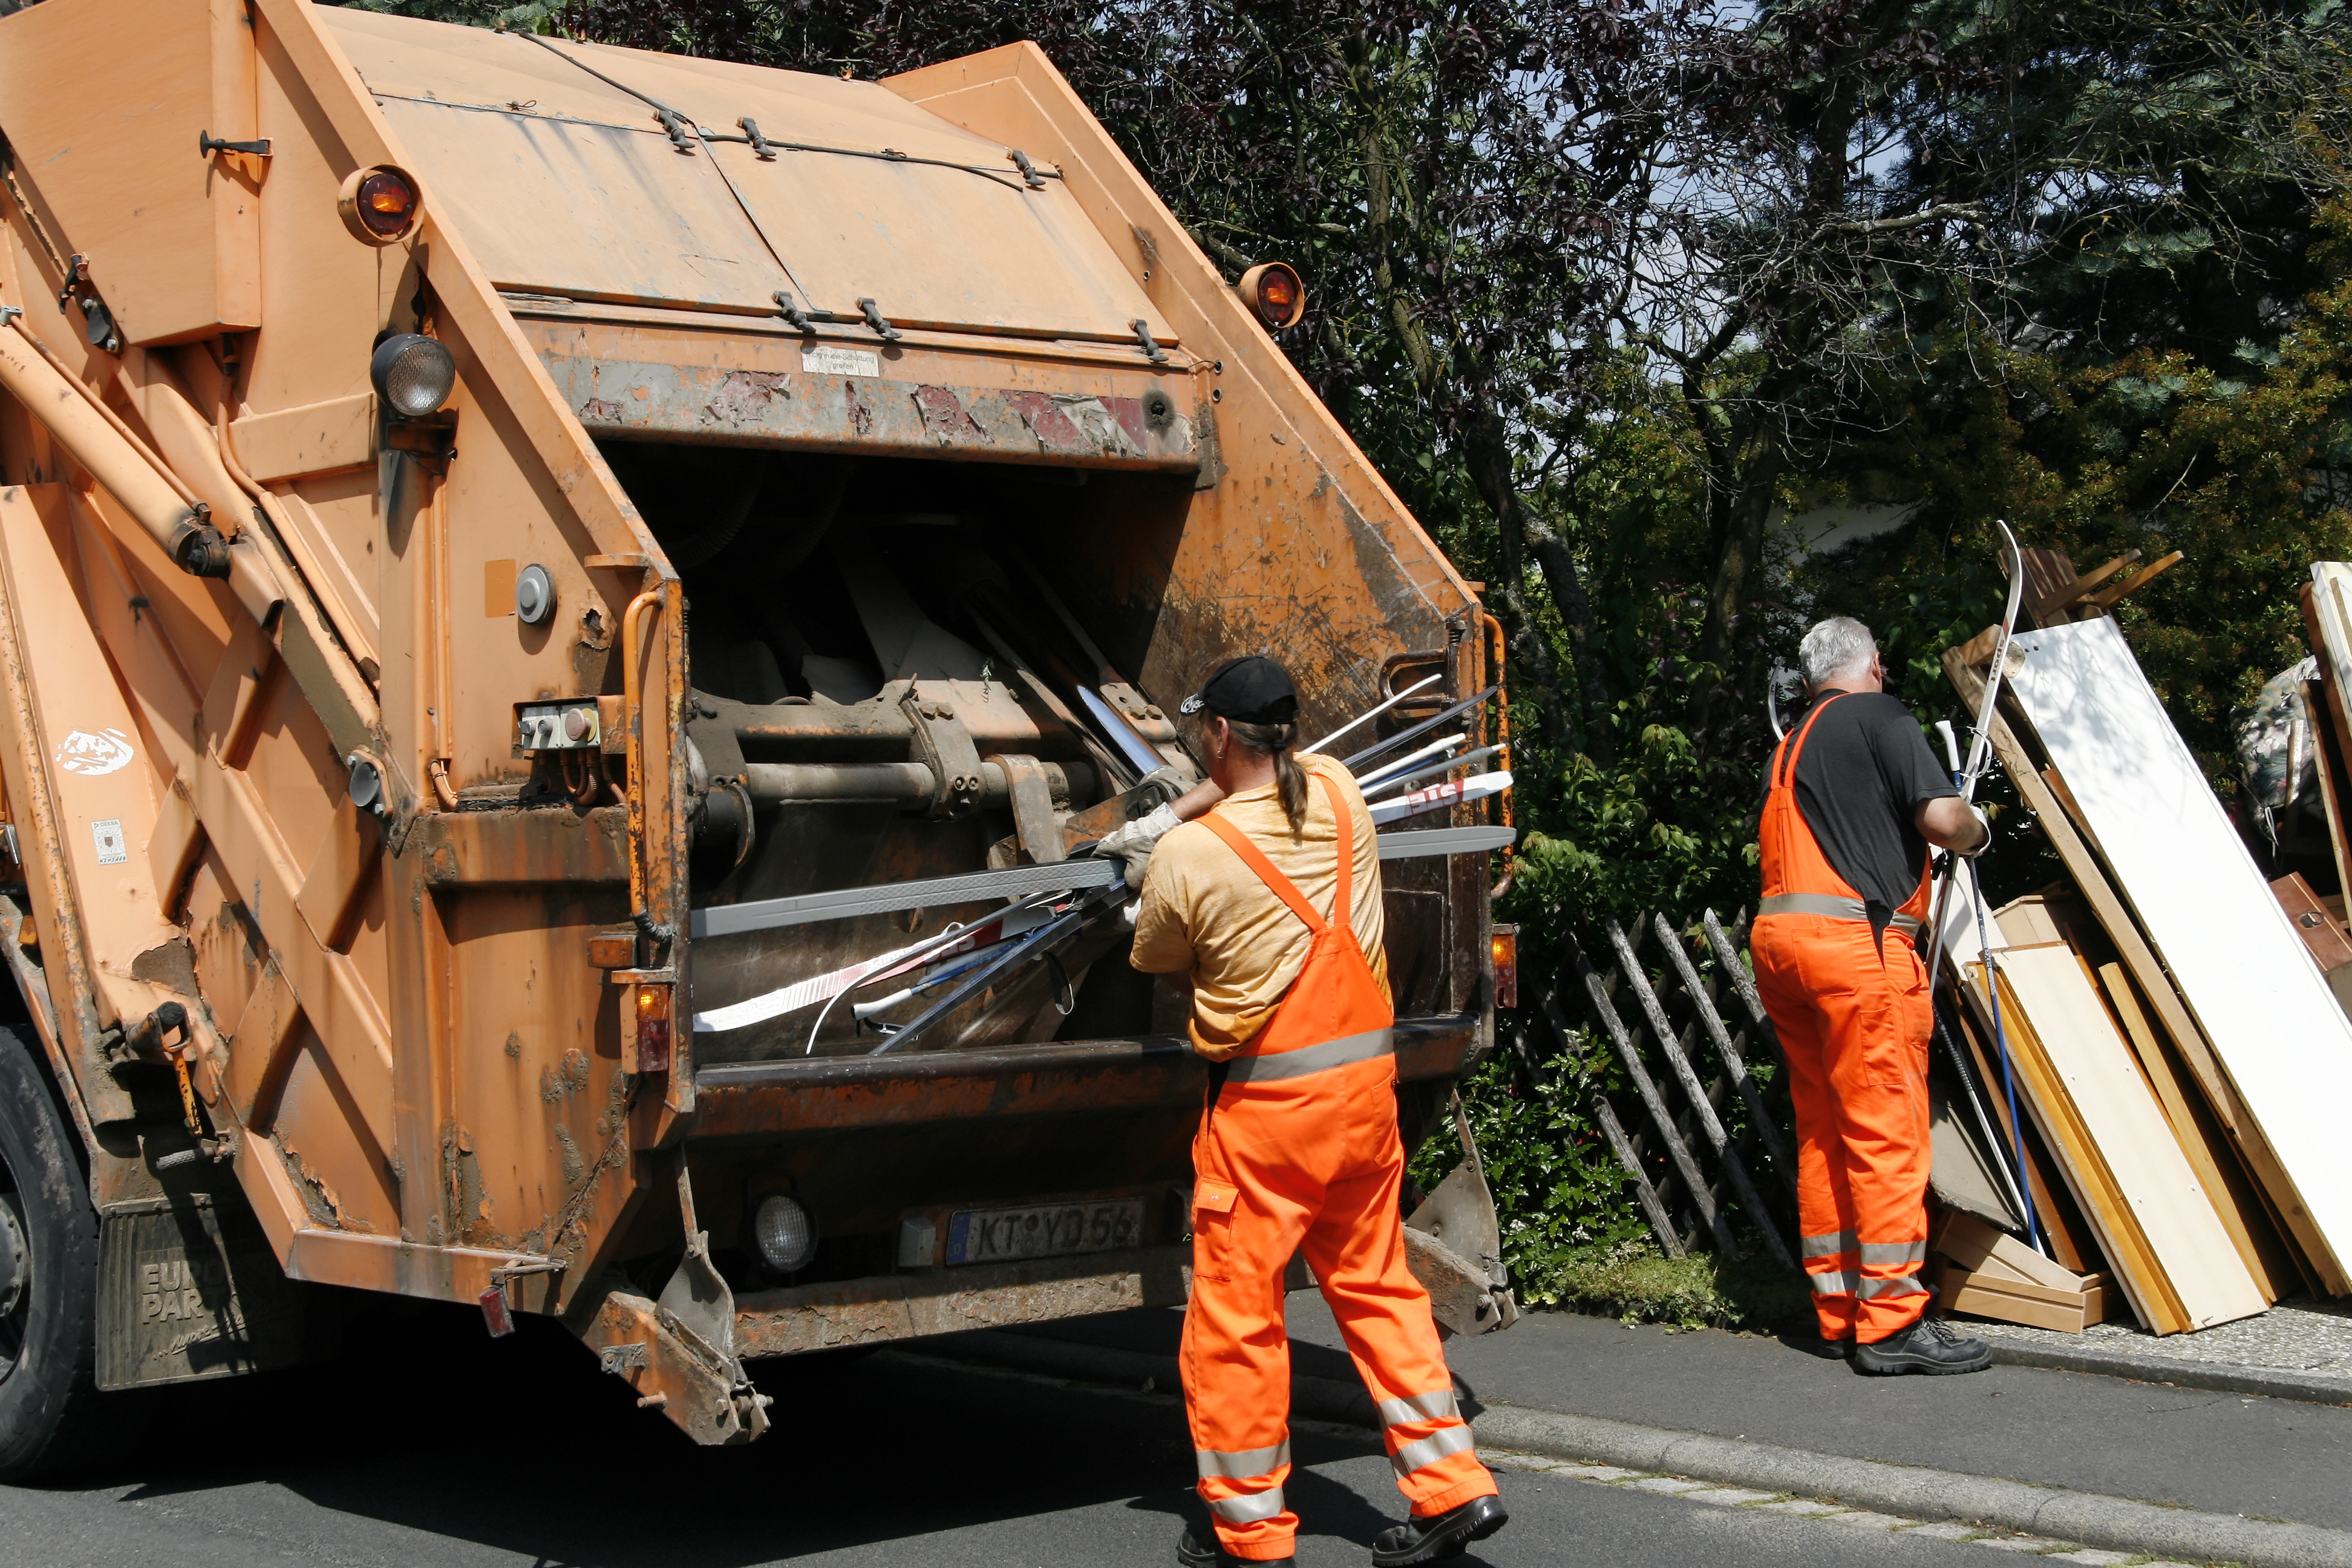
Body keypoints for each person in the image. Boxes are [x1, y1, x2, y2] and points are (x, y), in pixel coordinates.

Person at [1108, 655, 1506, 1568]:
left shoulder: (1189, 857)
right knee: (1377, 1288)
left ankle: (1250, 1532)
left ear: (1215, 735)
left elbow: (1154, 954)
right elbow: (1266, 788)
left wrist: (1150, 837)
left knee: (1238, 1317)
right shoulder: (1337, 792)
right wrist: (1182, 810)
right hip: (1364, 1100)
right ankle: (1454, 1488)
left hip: (1268, 1115)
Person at [1753, 616, 1997, 1375]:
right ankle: (1891, 1320)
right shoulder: (1883, 717)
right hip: (1858, 950)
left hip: (1783, 950)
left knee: (1826, 1133)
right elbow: (1941, 819)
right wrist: (1980, 829)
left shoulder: (1788, 746)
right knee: (1887, 1131)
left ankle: (1840, 1307)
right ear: (1874, 667)